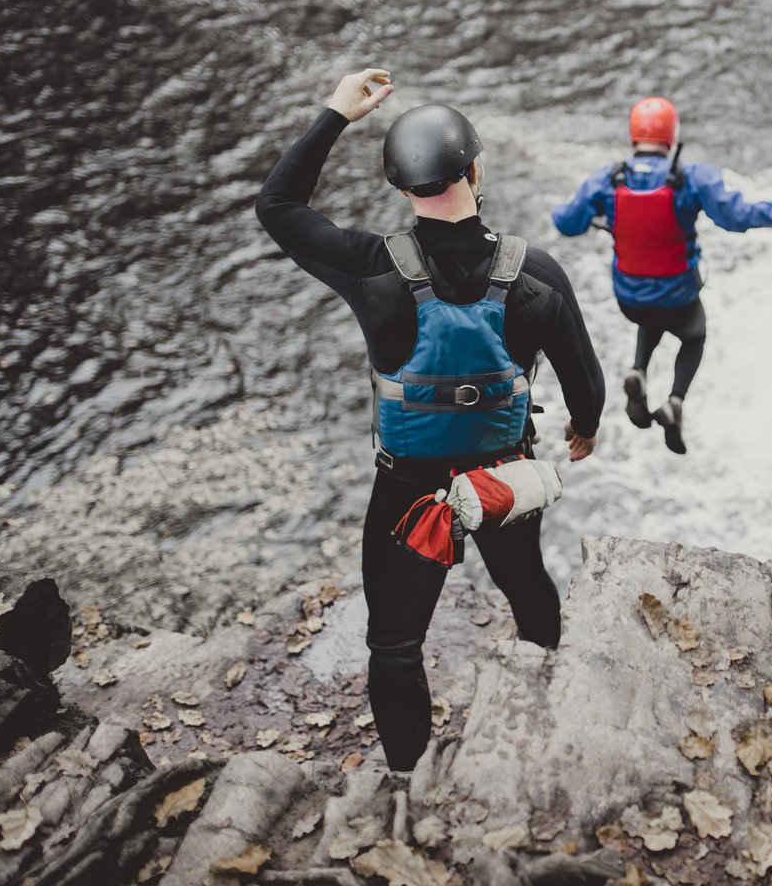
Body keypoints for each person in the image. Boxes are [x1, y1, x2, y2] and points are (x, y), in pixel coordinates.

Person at [255, 68, 604, 777]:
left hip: (408, 488)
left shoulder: (368, 267)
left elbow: (278, 205)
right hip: (505, 476)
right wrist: (585, 430)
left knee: (394, 642)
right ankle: (536, 720)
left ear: (400, 187)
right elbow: (585, 384)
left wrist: (335, 114)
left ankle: (409, 778)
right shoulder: (536, 273)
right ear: (475, 168)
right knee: (528, 589)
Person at [552, 96, 772, 454]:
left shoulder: (607, 179)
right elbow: (737, 217)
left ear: (633, 135)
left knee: (651, 309)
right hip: (679, 297)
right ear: (671, 135)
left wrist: (595, 216)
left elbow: (566, 222)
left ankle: (638, 371)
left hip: (630, 299)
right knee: (694, 335)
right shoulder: (692, 177)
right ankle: (674, 402)